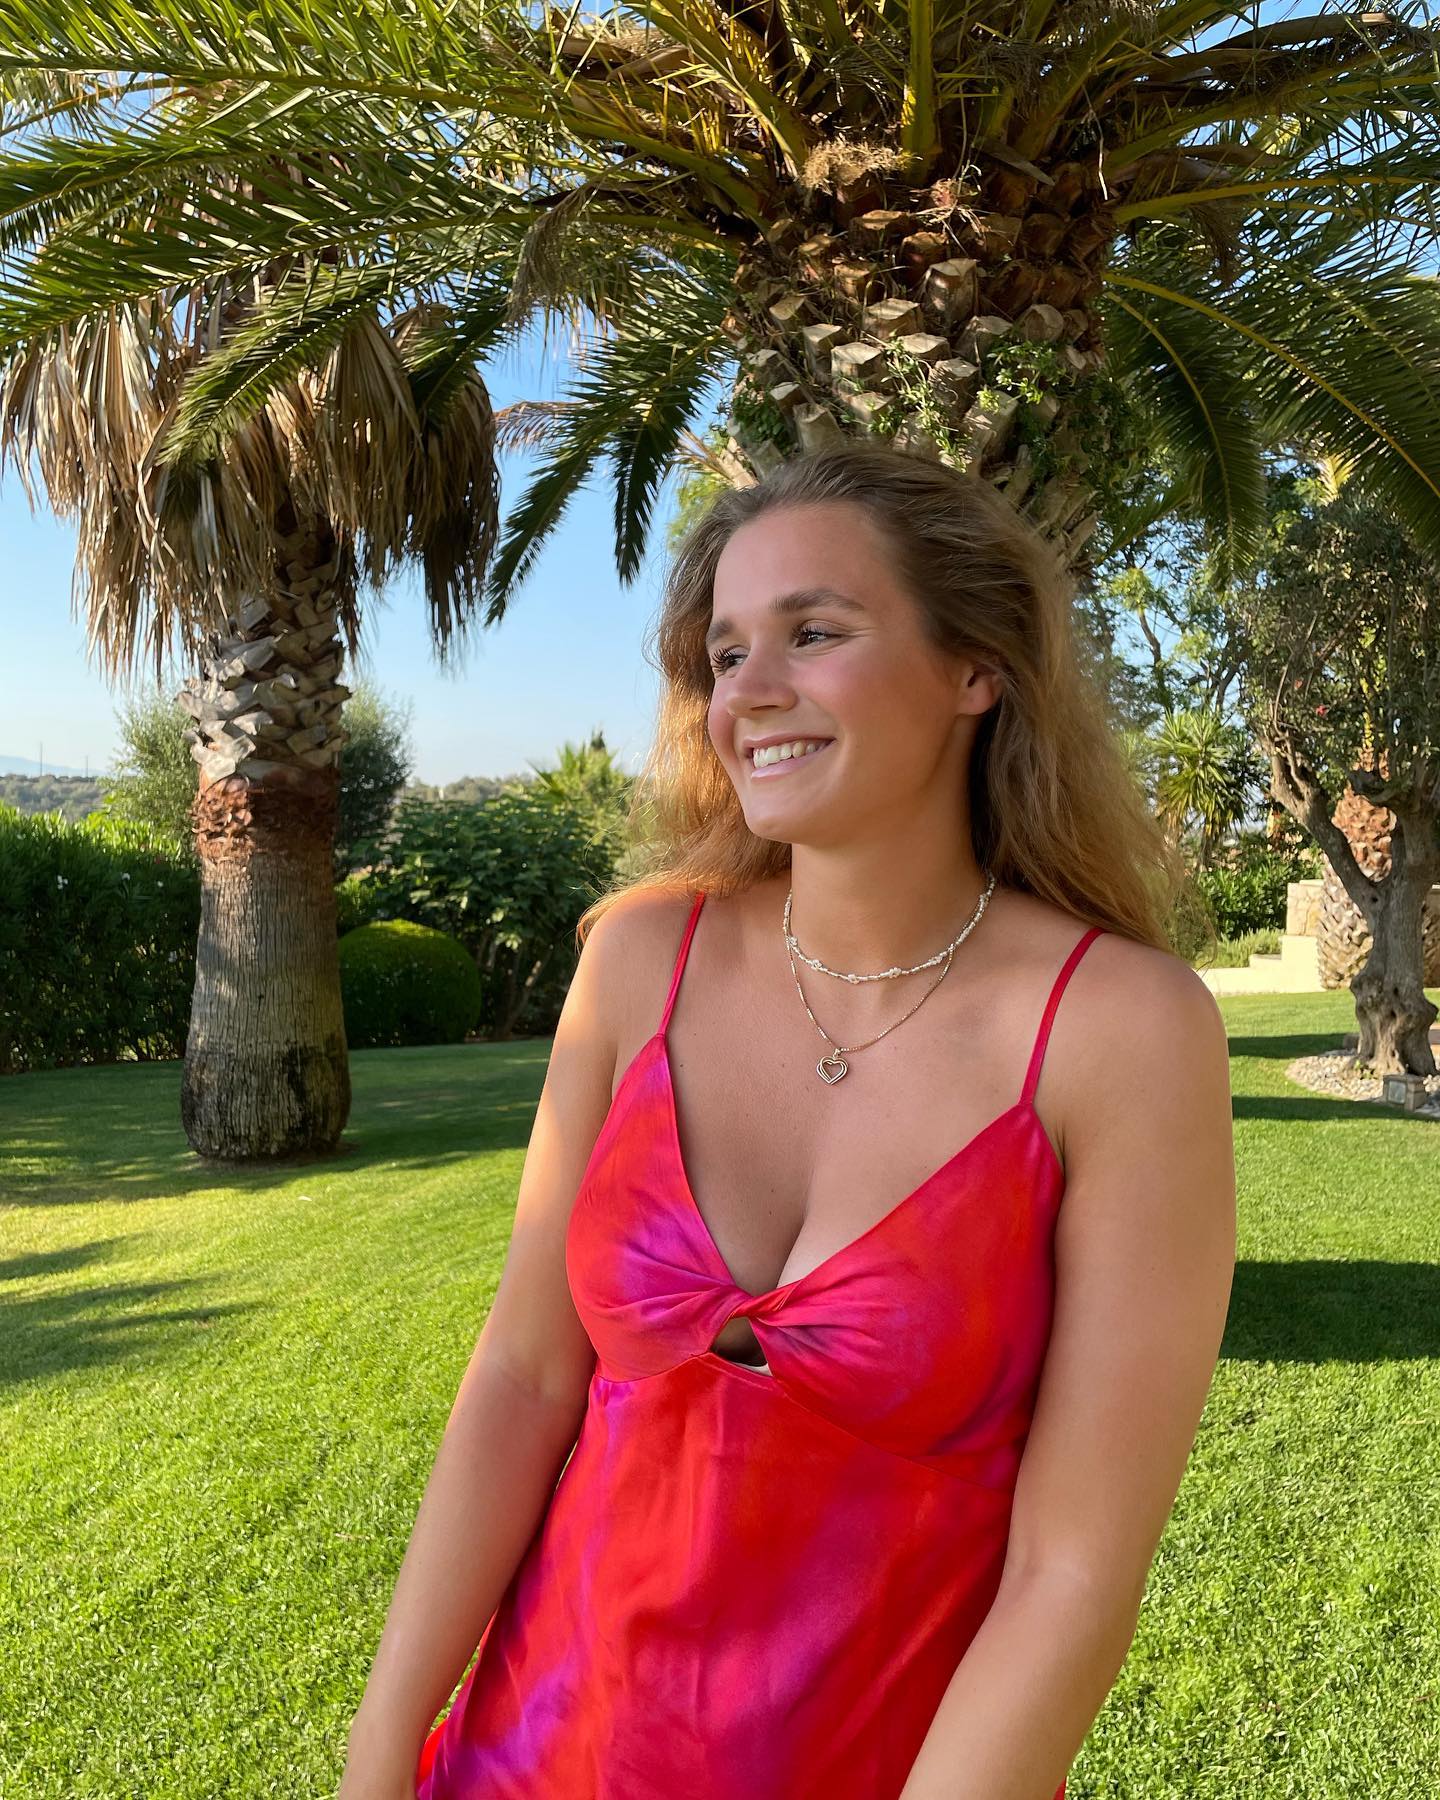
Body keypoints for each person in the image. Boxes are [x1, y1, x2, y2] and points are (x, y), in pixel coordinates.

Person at [337, 441, 1237, 1800]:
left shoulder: (1119, 1031)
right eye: (726, 653)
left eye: (813, 633)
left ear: (975, 668)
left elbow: (1073, 1572)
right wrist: (378, 1755)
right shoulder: (639, 961)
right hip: (528, 1759)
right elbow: (523, 1378)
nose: (748, 691)